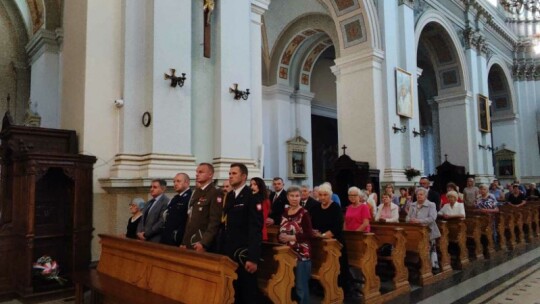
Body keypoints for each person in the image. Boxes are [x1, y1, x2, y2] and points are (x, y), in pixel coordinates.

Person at [221, 163, 263, 304]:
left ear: (243, 176)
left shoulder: (252, 197)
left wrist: (253, 258)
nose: (230, 176)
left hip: (243, 253)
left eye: (234, 173)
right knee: (234, 292)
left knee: (247, 293)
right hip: (229, 251)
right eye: (229, 173)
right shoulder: (231, 196)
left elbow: (255, 229)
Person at [310, 183, 351, 293]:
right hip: (320, 242)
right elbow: (312, 223)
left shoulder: (335, 207)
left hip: (335, 243)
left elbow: (337, 227)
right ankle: (322, 287)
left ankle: (339, 289)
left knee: (338, 267)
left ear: (330, 195)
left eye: (325, 195)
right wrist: (314, 231)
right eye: (320, 195)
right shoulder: (315, 207)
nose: (322, 197)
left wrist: (323, 236)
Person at [278, 186, 313, 304]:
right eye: (292, 196)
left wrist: (291, 237)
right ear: (287, 197)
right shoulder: (285, 213)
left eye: (297, 196)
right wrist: (281, 236)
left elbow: (309, 234)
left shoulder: (304, 213)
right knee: (289, 284)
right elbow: (282, 228)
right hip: (287, 253)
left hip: (301, 254)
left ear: (300, 197)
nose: (294, 198)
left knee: (300, 286)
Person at [181, 163, 223, 252]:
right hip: (190, 241)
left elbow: (214, 222)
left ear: (210, 174)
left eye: (201, 172)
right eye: (197, 172)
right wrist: (184, 242)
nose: (197, 174)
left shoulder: (215, 192)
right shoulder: (197, 192)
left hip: (201, 242)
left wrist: (204, 243)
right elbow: (190, 219)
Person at [406, 188, 440, 269]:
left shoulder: (431, 205)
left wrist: (418, 221)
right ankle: (418, 263)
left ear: (425, 196)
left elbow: (432, 218)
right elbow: (407, 217)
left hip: (428, 230)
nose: (419, 196)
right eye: (417, 195)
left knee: (430, 248)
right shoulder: (413, 205)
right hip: (415, 231)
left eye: (421, 194)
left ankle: (432, 265)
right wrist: (410, 220)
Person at [161, 173, 192, 246]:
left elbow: (188, 221)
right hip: (168, 237)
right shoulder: (175, 198)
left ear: (187, 182)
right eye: (174, 182)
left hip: (178, 239)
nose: (175, 184)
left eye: (178, 181)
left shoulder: (190, 197)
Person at [250, 177, 270, 241]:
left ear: (260, 186)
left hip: (259, 232)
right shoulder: (250, 198)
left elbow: (262, 217)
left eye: (255, 184)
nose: (252, 187)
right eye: (251, 185)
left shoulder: (265, 201)